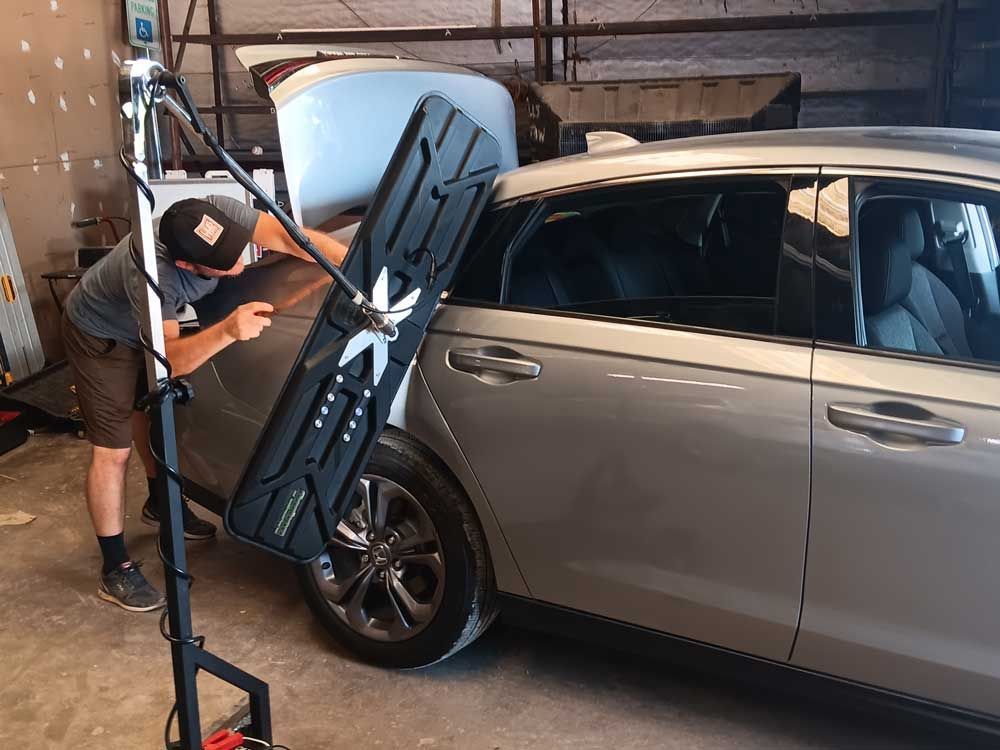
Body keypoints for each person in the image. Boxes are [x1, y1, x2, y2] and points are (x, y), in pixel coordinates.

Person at [62, 195, 348, 612]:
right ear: (185, 265)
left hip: (149, 325)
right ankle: (115, 567)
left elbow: (289, 237)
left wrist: (349, 265)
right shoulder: (153, 275)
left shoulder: (215, 212)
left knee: (148, 411)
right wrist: (230, 330)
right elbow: (171, 362)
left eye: (237, 250)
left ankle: (160, 501)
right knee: (113, 451)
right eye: (225, 264)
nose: (238, 264)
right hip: (101, 336)